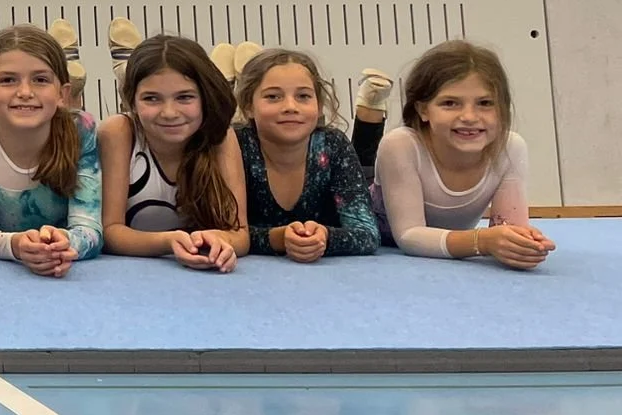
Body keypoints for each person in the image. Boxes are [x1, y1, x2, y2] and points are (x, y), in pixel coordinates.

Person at [370, 40, 553, 268]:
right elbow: (409, 236)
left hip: (448, 242)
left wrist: (521, 244)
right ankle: (369, 108)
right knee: (359, 164)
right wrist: (482, 241)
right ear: (423, 110)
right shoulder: (401, 145)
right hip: (367, 233)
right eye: (450, 103)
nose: (469, 116)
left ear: (503, 108)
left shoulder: (510, 148)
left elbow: (504, 228)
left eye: (485, 103)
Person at [0, 25, 102, 277]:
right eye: (8, 80)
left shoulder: (81, 129)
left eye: (41, 80)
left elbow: (90, 228)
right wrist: (17, 245)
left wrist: (63, 244)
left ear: (62, 94)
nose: (25, 92)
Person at [99, 35, 249, 271]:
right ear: (132, 102)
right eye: (151, 99)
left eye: (184, 97)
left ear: (204, 97)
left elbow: (239, 234)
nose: (169, 113)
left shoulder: (220, 137)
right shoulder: (119, 132)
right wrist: (170, 241)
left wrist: (218, 244)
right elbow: (110, 232)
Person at [234, 48, 378, 261]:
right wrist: (279, 238)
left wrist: (325, 237)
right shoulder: (236, 146)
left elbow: (367, 233)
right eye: (273, 97)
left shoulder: (332, 145)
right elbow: (221, 231)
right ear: (248, 107)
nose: (290, 107)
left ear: (319, 106)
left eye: (303, 96)